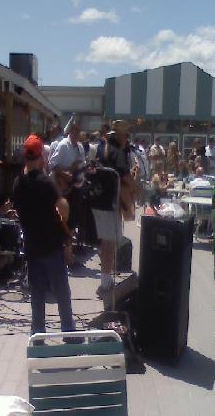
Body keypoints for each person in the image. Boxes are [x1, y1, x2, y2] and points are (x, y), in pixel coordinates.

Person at [13, 135, 78, 341]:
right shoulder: (46, 182)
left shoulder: (18, 183)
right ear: (41, 155)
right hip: (51, 246)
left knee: (38, 295)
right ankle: (68, 334)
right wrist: (64, 198)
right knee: (62, 294)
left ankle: (38, 337)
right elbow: (63, 211)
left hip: (32, 247)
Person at [94, 120, 136, 296]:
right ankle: (105, 283)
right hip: (110, 202)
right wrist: (140, 191)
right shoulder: (117, 152)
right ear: (121, 136)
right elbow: (127, 178)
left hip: (99, 199)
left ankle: (107, 277)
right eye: (126, 135)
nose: (127, 139)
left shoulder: (102, 148)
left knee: (106, 241)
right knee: (109, 242)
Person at [48, 121, 86, 266]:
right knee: (64, 220)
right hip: (63, 188)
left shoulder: (80, 147)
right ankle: (67, 256)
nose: (77, 134)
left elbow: (80, 166)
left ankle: (67, 254)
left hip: (75, 189)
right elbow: (52, 164)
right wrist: (65, 174)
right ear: (70, 131)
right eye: (74, 131)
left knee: (74, 220)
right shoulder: (63, 145)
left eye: (79, 131)